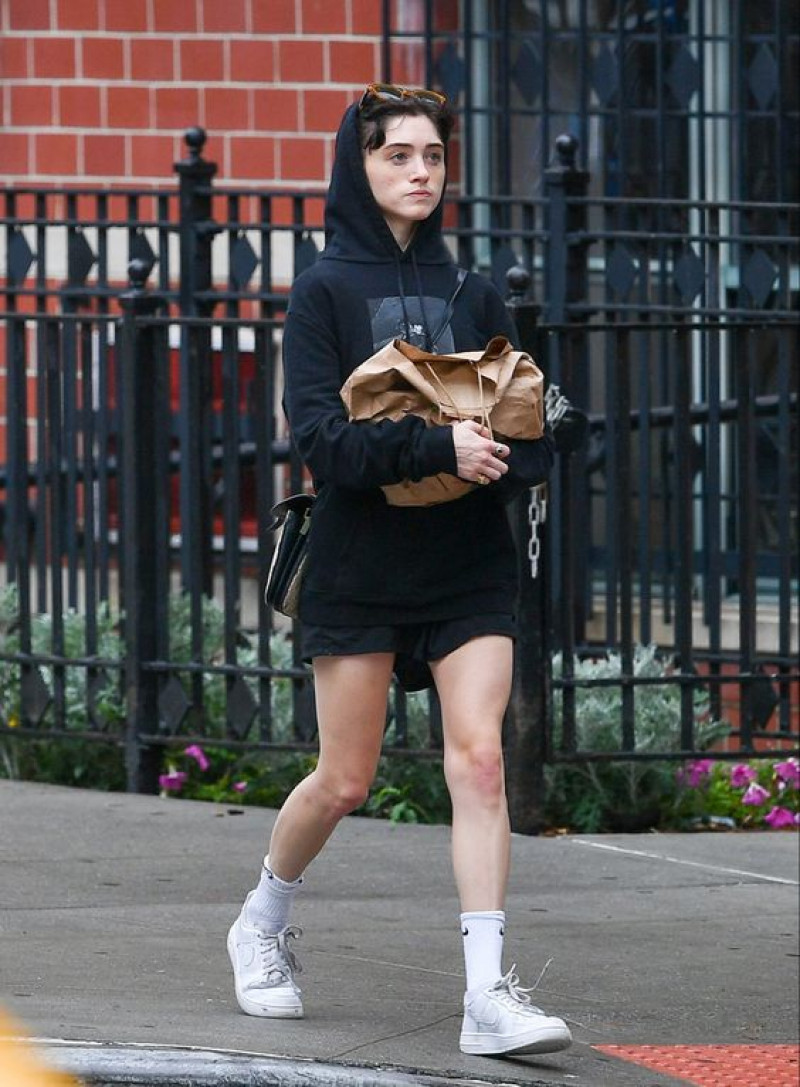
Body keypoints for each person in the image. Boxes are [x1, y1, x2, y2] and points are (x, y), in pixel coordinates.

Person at [228, 83, 572, 1059]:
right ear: (360, 165)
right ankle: (261, 917)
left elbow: (516, 423)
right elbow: (326, 447)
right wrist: (437, 450)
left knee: (478, 761)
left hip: (465, 560)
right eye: (397, 155)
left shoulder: (472, 291)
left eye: (431, 155)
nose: (420, 171)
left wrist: (537, 442)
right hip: (360, 559)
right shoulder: (324, 290)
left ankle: (483, 996)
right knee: (344, 779)